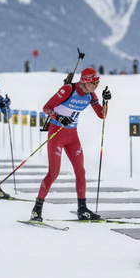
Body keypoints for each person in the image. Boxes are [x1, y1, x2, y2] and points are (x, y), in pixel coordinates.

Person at [29, 68, 111, 222]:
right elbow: (47, 108)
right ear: (86, 81)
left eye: (98, 82)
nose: (97, 86)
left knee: (81, 172)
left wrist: (106, 101)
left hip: (72, 136)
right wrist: (59, 118)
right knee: (54, 172)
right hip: (57, 133)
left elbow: (102, 115)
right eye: (95, 82)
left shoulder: (90, 94)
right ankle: (37, 209)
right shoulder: (68, 89)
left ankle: (82, 209)